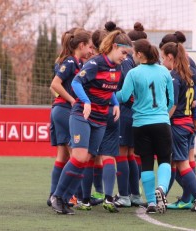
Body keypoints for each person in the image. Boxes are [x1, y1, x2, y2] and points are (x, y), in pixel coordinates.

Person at [50, 30, 132, 215]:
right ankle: (57, 196)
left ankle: (65, 199)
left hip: (101, 119)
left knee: (86, 159)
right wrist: (85, 101)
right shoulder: (96, 63)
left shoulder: (117, 68)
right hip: (81, 115)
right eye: (124, 53)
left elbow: (108, 88)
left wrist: (116, 103)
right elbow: (76, 83)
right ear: (115, 47)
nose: (125, 58)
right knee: (78, 156)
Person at [116, 38, 174, 214]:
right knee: (165, 158)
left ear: (140, 54)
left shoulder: (133, 73)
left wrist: (108, 93)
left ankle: (150, 202)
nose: (132, 56)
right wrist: (162, 112)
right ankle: (162, 188)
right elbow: (171, 99)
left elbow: (124, 96)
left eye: (133, 53)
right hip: (161, 122)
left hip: (140, 124)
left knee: (147, 162)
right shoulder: (164, 71)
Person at [161, 42, 196, 212]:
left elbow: (172, 104)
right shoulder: (188, 74)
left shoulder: (174, 76)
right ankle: (164, 196)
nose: (162, 61)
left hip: (178, 126)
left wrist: (163, 120)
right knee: (177, 162)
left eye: (163, 57)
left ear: (170, 57)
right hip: (187, 124)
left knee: (182, 164)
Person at [47, 28, 92, 207]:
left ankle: (55, 194)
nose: (91, 50)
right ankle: (70, 195)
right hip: (65, 111)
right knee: (77, 154)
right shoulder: (70, 62)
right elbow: (54, 84)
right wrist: (73, 99)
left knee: (64, 154)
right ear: (79, 45)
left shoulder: (76, 62)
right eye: (89, 46)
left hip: (61, 110)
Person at [114, 22, 147, 208]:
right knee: (132, 155)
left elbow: (124, 92)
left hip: (126, 112)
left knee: (122, 154)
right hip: (139, 113)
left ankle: (125, 195)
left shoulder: (125, 63)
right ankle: (134, 194)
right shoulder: (152, 64)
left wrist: (110, 97)